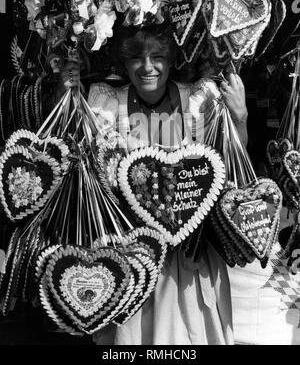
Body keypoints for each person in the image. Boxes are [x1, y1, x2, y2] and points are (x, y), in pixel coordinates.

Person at [55, 23, 248, 345]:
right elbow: (80, 159)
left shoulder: (197, 99)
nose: (148, 67)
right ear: (125, 63)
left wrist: (239, 116)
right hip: (132, 245)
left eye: (157, 56)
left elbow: (231, 161)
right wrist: (66, 94)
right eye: (137, 58)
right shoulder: (106, 101)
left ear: (171, 60)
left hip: (190, 247)